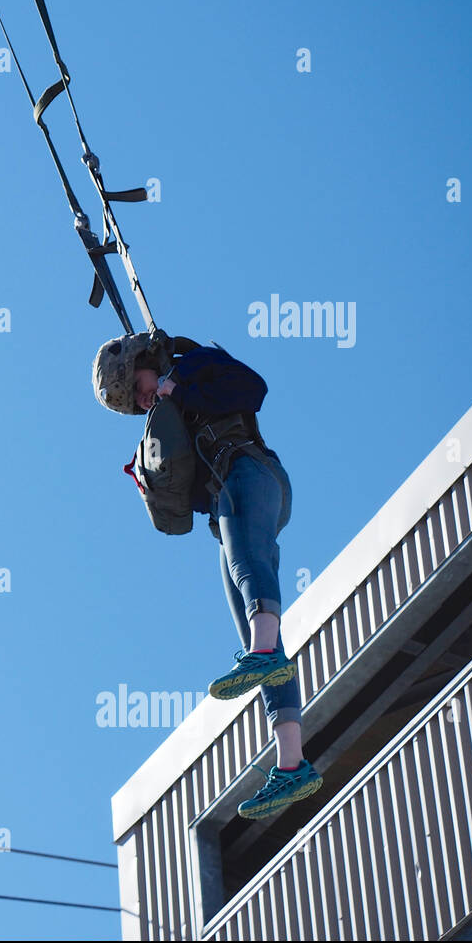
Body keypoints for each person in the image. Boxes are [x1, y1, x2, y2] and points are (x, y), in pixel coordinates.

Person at [93, 332, 323, 820]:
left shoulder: (195, 366)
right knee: (253, 625)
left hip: (250, 473)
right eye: (136, 400)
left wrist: (183, 389)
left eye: (138, 386)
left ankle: (260, 655)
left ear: (144, 361)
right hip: (225, 501)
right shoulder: (167, 412)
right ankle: (292, 762)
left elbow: (253, 388)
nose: (143, 398)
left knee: (246, 569)